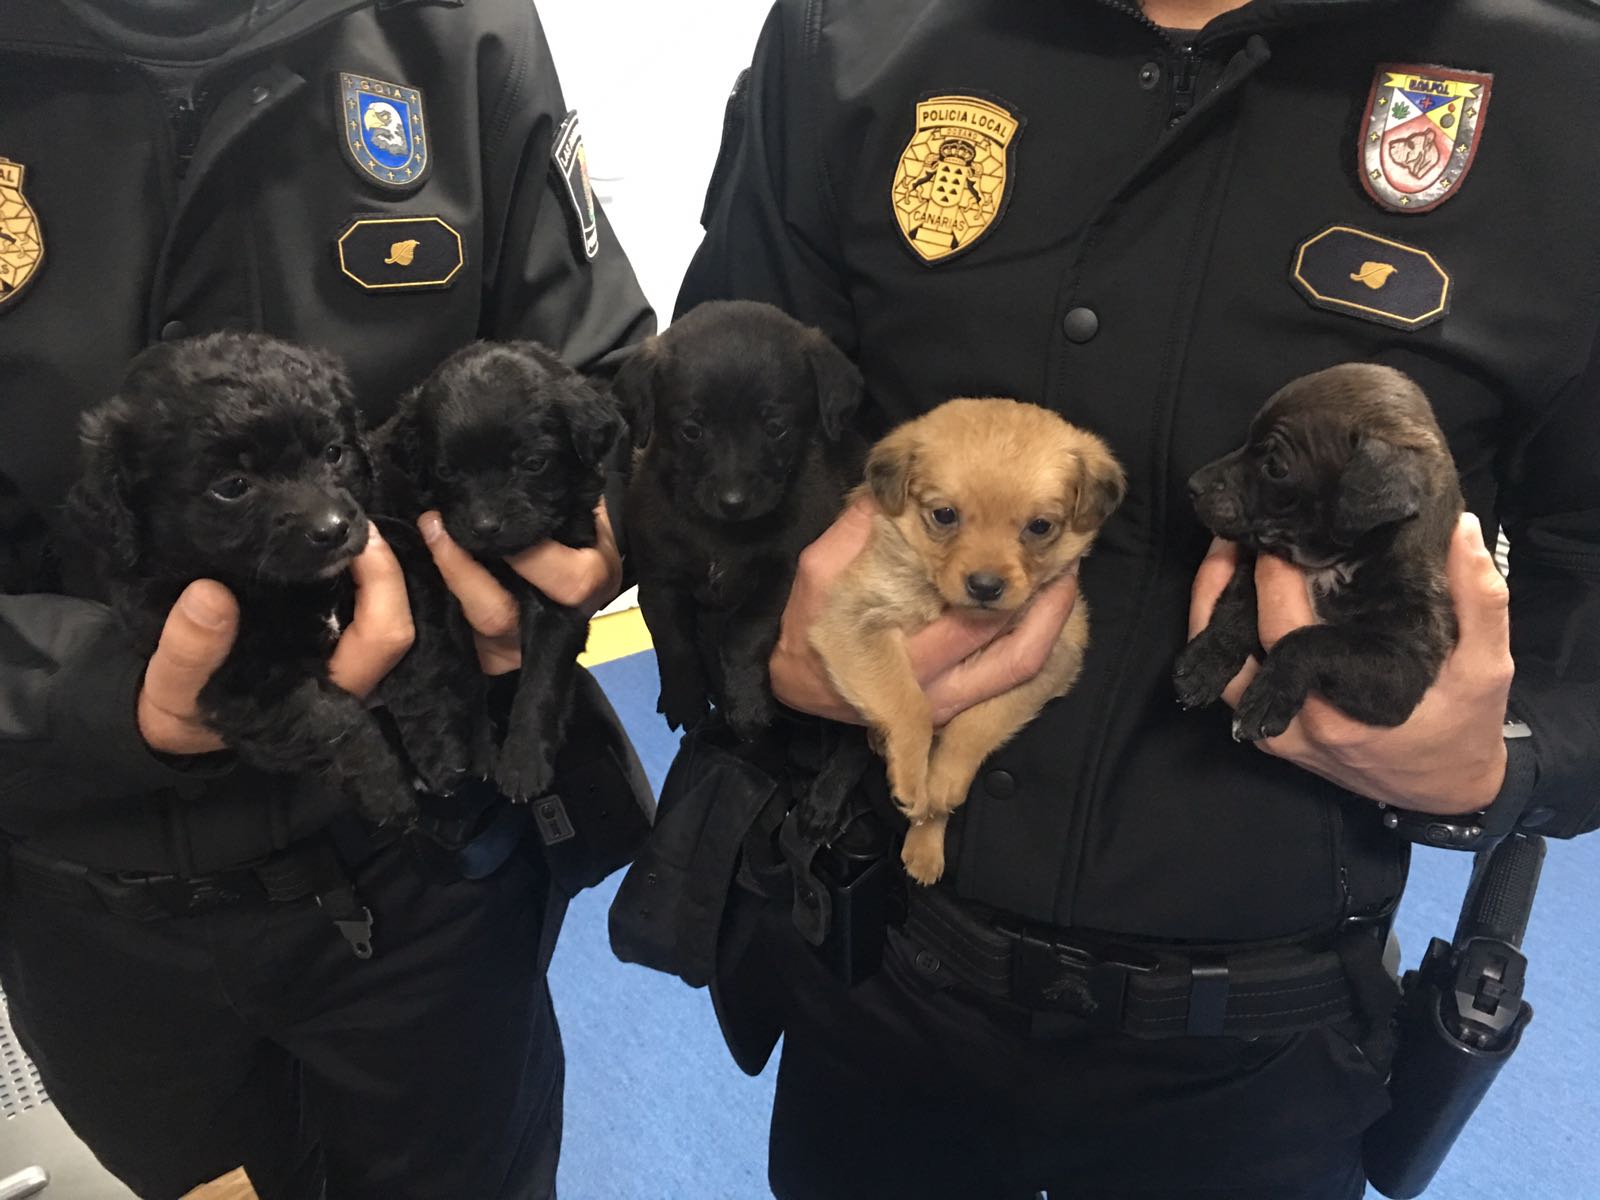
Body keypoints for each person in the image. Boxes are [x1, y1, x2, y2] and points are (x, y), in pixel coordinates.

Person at [672, 0, 1600, 1196]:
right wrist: (762, 645)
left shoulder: (1564, 81)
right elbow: (703, 441)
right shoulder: (847, 32)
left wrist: (1506, 764)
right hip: (878, 970)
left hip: (1256, 1057)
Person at [0, 1, 652, 1196]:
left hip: (424, 855)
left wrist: (576, 542)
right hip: (90, 893)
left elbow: (607, 384)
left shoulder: (455, 36)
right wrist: (99, 694)